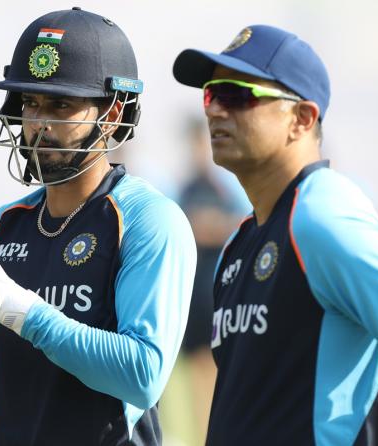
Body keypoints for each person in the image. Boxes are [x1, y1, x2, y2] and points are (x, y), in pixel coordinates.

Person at [0, 8, 196, 446]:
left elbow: (142, 374)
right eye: (30, 102)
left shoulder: (147, 219)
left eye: (62, 104)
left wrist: (22, 312)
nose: (40, 124)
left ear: (113, 110)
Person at [172, 24, 378, 445]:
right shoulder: (239, 242)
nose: (215, 111)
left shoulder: (323, 216)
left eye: (238, 95)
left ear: (302, 118)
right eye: (211, 94)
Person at [175, 118, 247, 443]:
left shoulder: (225, 187)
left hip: (218, 295)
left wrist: (210, 225)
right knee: (195, 374)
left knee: (216, 372)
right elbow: (181, 230)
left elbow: (244, 224)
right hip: (194, 297)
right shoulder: (186, 188)